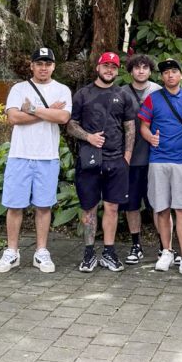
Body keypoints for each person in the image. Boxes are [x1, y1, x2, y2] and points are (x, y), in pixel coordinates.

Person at [0, 47, 72, 274]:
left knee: (44, 205)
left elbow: (63, 117)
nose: (44, 68)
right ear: (32, 66)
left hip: (47, 156)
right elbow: (14, 117)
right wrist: (48, 110)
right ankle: (12, 251)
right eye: (39, 63)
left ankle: (41, 251)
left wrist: (33, 109)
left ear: (54, 66)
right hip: (20, 154)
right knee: (15, 205)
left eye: (48, 63)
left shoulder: (62, 89)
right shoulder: (19, 89)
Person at [67, 51, 136, 273]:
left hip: (116, 161)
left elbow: (130, 127)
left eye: (114, 67)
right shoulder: (83, 94)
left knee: (112, 207)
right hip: (89, 160)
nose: (109, 70)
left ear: (118, 71)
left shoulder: (123, 95)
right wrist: (88, 137)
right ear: (97, 68)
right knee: (88, 208)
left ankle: (109, 252)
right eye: (105, 66)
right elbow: (70, 124)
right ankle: (88, 254)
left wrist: (127, 156)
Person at [138, 58, 182, 279]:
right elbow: (143, 126)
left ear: (181, 75)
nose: (170, 75)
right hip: (158, 161)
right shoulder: (153, 99)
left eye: (174, 72)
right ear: (162, 77)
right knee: (161, 209)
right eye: (166, 73)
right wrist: (149, 137)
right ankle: (166, 251)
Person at [123, 54, 162, 265]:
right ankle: (135, 244)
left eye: (145, 67)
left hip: (157, 158)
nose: (140, 71)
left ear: (150, 70)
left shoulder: (158, 91)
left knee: (158, 204)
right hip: (131, 159)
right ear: (130, 71)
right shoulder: (121, 93)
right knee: (132, 204)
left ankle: (164, 247)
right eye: (136, 67)